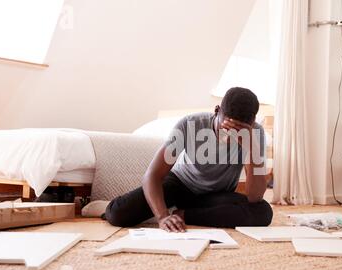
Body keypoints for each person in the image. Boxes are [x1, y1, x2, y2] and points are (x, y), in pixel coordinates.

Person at [105, 87, 273, 232]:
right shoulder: (190, 124)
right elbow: (153, 175)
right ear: (217, 111)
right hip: (180, 185)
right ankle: (167, 210)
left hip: (215, 195)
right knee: (117, 214)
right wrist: (162, 217)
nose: (230, 137)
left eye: (239, 132)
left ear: (251, 125)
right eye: (227, 128)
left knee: (263, 212)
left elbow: (254, 196)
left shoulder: (255, 135)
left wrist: (252, 148)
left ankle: (184, 214)